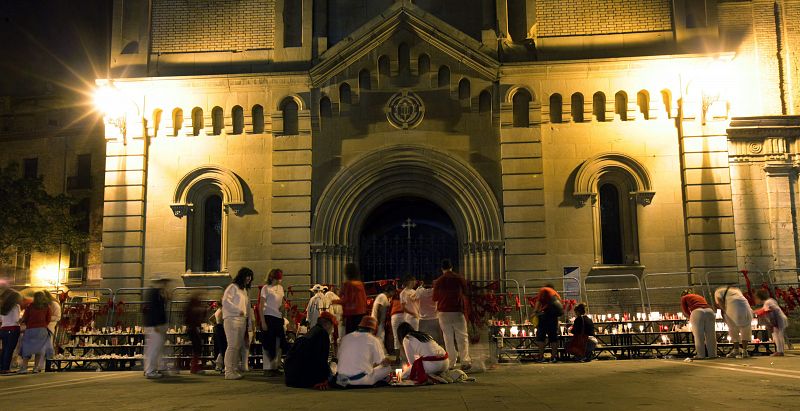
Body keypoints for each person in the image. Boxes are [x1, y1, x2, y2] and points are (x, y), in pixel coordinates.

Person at [433, 259, 471, 370]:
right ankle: (465, 361)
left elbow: (435, 297)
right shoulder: (459, 278)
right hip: (457, 311)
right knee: (462, 336)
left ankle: (451, 362)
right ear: (451, 267)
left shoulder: (439, 281)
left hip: (443, 312)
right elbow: (466, 292)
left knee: (448, 338)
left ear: (442, 269)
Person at [285, 311, 337, 389]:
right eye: (332, 326)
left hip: (292, 378)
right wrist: (323, 380)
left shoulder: (312, 332)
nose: (332, 330)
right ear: (327, 324)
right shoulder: (322, 334)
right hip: (304, 380)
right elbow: (321, 360)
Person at [335, 316, 392, 387]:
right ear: (373, 329)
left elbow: (338, 358)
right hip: (360, 380)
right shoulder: (373, 339)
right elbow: (383, 363)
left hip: (341, 380)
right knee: (387, 368)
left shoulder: (345, 337)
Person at [222, 267, 253, 380]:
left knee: (238, 346)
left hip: (241, 320)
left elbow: (247, 307)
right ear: (242, 276)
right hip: (232, 319)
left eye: (250, 276)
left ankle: (233, 369)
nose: (249, 278)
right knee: (232, 345)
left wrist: (248, 321)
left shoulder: (244, 290)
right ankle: (228, 371)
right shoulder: (232, 287)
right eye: (247, 275)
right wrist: (237, 310)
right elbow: (226, 301)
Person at [259, 268, 288, 376]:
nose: (280, 280)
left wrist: (283, 308)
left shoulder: (280, 288)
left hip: (278, 317)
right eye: (278, 278)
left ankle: (274, 366)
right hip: (268, 316)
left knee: (279, 342)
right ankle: (267, 368)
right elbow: (261, 306)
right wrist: (263, 322)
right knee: (268, 342)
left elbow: (282, 302)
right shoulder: (265, 288)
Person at [18, 291, 54, 374]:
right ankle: (36, 368)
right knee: (39, 349)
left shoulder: (30, 306)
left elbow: (25, 317)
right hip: (42, 330)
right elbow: (48, 319)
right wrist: (43, 325)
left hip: (30, 329)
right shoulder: (47, 307)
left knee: (27, 348)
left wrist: (28, 324)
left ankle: (24, 367)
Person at [714, 286, 753, 359]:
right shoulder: (736, 290)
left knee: (733, 328)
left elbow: (720, 303)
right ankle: (745, 351)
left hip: (732, 305)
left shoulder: (717, 292)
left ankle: (736, 350)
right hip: (745, 304)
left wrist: (725, 313)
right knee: (745, 328)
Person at [142, 276, 170, 379]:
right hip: (154, 325)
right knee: (153, 349)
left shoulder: (154, 292)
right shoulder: (154, 293)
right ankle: (150, 370)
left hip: (153, 324)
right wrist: (155, 324)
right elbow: (154, 310)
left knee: (152, 349)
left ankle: (149, 369)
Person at [681, 289, 717, 359]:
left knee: (698, 335)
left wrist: (690, 317)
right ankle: (713, 354)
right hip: (709, 311)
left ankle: (700, 355)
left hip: (697, 311)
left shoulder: (684, 298)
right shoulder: (699, 296)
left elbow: (685, 310)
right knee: (711, 334)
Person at [333, 263, 367, 335]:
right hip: (361, 314)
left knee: (351, 336)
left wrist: (333, 301)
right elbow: (364, 300)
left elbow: (347, 300)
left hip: (351, 315)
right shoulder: (360, 284)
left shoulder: (347, 284)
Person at [533, 283, 563, 363]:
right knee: (553, 337)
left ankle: (541, 357)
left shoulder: (544, 290)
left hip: (545, 316)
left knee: (541, 337)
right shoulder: (556, 294)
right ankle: (553, 357)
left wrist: (535, 312)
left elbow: (538, 302)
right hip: (554, 318)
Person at [754, 289, 788, 357]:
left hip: (779, 320)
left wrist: (756, 312)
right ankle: (780, 351)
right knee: (777, 335)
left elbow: (768, 310)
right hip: (778, 320)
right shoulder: (769, 301)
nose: (756, 301)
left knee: (778, 335)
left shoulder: (768, 302)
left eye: (756, 298)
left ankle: (780, 351)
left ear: (760, 298)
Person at [415, 278, 444, 346]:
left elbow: (416, 297)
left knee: (424, 340)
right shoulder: (435, 291)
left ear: (423, 283)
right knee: (437, 340)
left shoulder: (420, 291)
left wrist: (421, 286)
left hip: (423, 318)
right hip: (435, 317)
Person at [0, 289, 22, 374]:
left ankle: (2, 367)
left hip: (3, 329)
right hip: (13, 329)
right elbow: (16, 319)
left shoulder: (3, 306)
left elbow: (1, 319)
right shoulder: (16, 306)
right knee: (9, 350)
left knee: (4, 349)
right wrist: (22, 319)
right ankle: (5, 368)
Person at [184, 295, 206, 373]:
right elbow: (199, 311)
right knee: (197, 347)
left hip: (192, 329)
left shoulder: (190, 308)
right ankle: (194, 367)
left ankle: (194, 367)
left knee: (197, 347)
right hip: (192, 329)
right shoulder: (193, 309)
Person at [208, 302, 226, 372]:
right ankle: (222, 365)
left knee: (221, 347)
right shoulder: (222, 310)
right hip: (221, 328)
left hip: (217, 328)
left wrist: (216, 323)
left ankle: (218, 364)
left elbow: (211, 318)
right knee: (224, 347)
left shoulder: (218, 311)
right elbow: (224, 320)